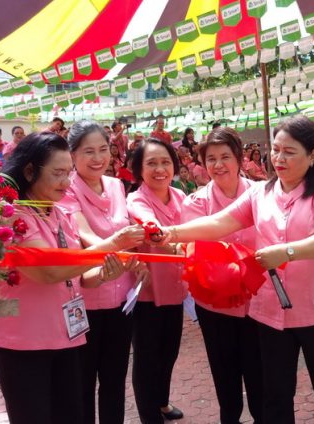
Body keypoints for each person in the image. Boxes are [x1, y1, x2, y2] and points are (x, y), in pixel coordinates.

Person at [156, 115, 314, 424]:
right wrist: (173, 232)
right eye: (275, 150)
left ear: (312, 155)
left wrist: (288, 252)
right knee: (275, 396)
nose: (279, 158)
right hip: (271, 313)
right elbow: (220, 223)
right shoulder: (260, 193)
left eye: (289, 151)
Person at [0, 131, 135, 424]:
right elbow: (49, 270)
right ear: (30, 170)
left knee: (72, 415)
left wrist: (103, 273)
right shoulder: (10, 216)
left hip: (66, 337)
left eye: (68, 173)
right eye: (58, 173)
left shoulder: (59, 214)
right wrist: (113, 244)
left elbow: (80, 276)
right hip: (23, 341)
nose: (66, 183)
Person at [61, 121, 149, 424]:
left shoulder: (114, 185)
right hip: (87, 296)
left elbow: (124, 228)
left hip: (122, 297)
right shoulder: (67, 189)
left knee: (114, 378)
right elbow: (84, 234)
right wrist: (118, 249)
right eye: (88, 152)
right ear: (72, 155)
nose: (98, 158)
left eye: (103, 150)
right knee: (83, 381)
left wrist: (134, 257)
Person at [181, 127, 263, 424]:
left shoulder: (261, 194)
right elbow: (196, 253)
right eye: (211, 158)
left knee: (260, 378)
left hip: (258, 303)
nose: (218, 165)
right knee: (225, 375)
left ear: (239, 158)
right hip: (215, 304)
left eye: (225, 157)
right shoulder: (196, 203)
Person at [126, 138, 187, 423]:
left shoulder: (180, 197)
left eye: (165, 162)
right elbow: (150, 226)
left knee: (169, 352)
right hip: (147, 291)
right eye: (151, 163)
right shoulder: (136, 199)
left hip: (176, 289)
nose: (160, 168)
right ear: (139, 169)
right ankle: (149, 415)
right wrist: (173, 242)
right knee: (147, 358)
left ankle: (161, 403)